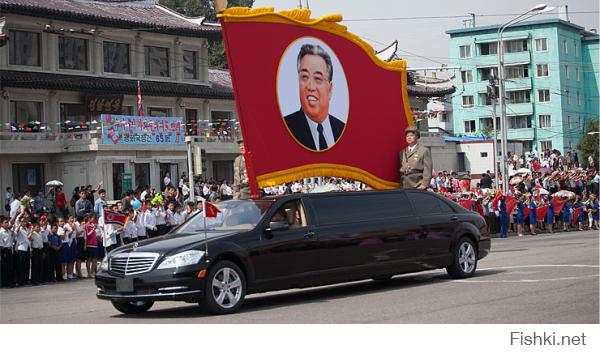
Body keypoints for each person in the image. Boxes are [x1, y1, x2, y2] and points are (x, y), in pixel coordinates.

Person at [283, 43, 345, 151]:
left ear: (330, 89)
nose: (311, 87)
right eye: (305, 77)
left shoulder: (342, 129)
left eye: (318, 78)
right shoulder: (285, 129)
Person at [0, 215, 15, 287]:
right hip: (4, 250)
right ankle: (6, 283)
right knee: (5, 267)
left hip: (10, 250)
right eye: (5, 222)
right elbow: (1, 243)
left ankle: (10, 282)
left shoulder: (9, 231)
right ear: (1, 224)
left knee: (10, 266)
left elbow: (12, 240)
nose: (7, 224)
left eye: (7, 222)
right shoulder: (1, 232)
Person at [29, 221, 43, 285]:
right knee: (35, 266)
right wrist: (31, 231)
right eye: (37, 227)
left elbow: (41, 243)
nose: (38, 228)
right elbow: (29, 238)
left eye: (39, 227)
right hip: (35, 250)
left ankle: (39, 279)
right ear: (34, 228)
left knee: (39, 265)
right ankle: (34, 280)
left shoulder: (40, 233)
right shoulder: (33, 234)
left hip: (40, 250)